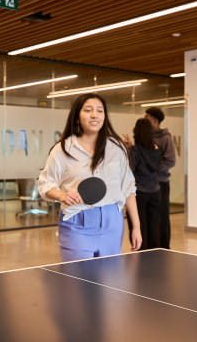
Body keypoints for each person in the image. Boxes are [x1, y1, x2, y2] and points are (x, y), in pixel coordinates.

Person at [38, 93, 141, 260]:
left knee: (111, 281)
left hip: (112, 221)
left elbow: (129, 188)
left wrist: (136, 226)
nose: (95, 115)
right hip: (77, 222)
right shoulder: (62, 149)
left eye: (100, 111)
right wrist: (62, 195)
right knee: (77, 282)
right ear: (77, 117)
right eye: (88, 110)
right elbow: (45, 185)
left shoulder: (117, 148)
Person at [144, 107, 176, 248]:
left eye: (147, 118)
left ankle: (164, 247)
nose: (144, 120)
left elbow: (170, 161)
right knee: (150, 217)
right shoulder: (145, 136)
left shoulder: (166, 138)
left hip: (161, 183)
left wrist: (153, 170)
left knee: (162, 216)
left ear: (155, 120)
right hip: (147, 185)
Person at [128, 118, 162, 249]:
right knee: (154, 226)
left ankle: (142, 255)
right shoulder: (157, 149)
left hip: (139, 193)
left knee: (138, 227)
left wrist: (129, 150)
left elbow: (130, 171)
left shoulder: (135, 150)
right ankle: (154, 254)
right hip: (155, 191)